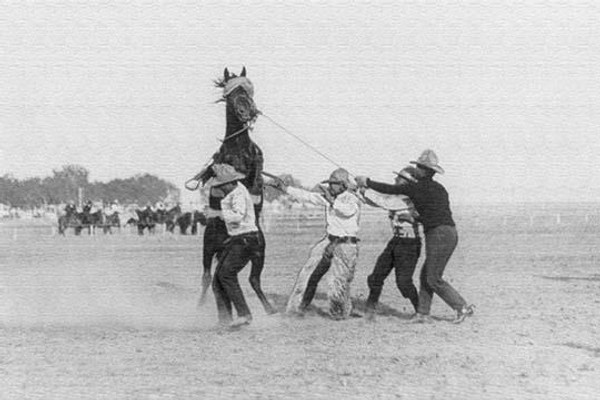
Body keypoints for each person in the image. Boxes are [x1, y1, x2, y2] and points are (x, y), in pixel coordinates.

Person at [356, 149, 474, 324]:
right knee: (426, 274)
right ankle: (422, 313)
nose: (416, 169)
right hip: (446, 233)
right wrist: (415, 217)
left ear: (424, 170)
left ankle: (462, 307)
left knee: (433, 277)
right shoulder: (438, 188)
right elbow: (436, 213)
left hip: (438, 234)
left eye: (418, 166)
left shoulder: (416, 187)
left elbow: (390, 190)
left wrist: (367, 182)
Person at [275, 168, 362, 320]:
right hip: (329, 240)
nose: (330, 187)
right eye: (330, 183)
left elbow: (347, 211)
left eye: (333, 184)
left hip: (346, 245)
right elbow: (308, 196)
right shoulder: (329, 197)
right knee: (307, 274)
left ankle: (340, 313)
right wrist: (285, 188)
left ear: (343, 185)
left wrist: (331, 200)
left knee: (339, 282)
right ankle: (297, 308)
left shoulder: (351, 199)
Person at [361, 167, 422, 320]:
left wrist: (365, 189)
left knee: (404, 283)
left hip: (409, 244)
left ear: (408, 182)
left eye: (399, 179)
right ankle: (370, 310)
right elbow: (376, 202)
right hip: (396, 241)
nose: (395, 181)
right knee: (376, 277)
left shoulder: (406, 198)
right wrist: (360, 191)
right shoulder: (397, 197)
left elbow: (383, 202)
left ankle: (421, 310)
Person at [205, 164, 261, 328]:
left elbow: (237, 216)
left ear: (229, 183)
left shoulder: (237, 194)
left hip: (246, 240)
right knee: (217, 280)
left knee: (226, 275)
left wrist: (217, 214)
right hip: (240, 240)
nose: (219, 189)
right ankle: (225, 319)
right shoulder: (237, 189)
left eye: (221, 186)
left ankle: (244, 315)